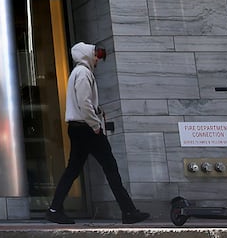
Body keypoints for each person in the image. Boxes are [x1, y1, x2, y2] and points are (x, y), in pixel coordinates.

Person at [45, 42, 150, 225]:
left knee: (73, 170)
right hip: (87, 128)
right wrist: (95, 125)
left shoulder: (76, 73)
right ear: (87, 55)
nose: (97, 59)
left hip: (77, 128)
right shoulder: (84, 74)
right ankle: (128, 211)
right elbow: (85, 103)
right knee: (110, 168)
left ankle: (54, 209)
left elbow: (83, 103)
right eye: (95, 56)